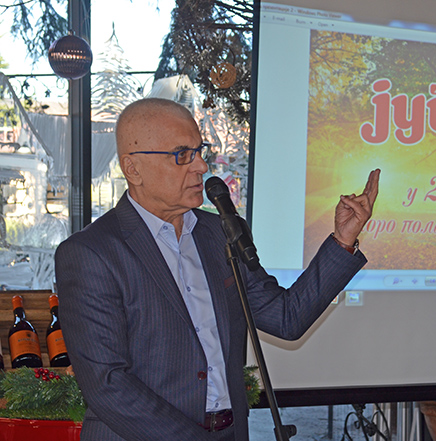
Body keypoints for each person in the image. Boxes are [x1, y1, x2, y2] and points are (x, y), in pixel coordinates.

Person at [54, 97, 380, 441]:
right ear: (133, 169)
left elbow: (286, 317)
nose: (201, 166)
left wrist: (343, 240)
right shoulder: (90, 253)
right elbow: (107, 383)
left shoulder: (219, 233)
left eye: (200, 151)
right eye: (182, 154)